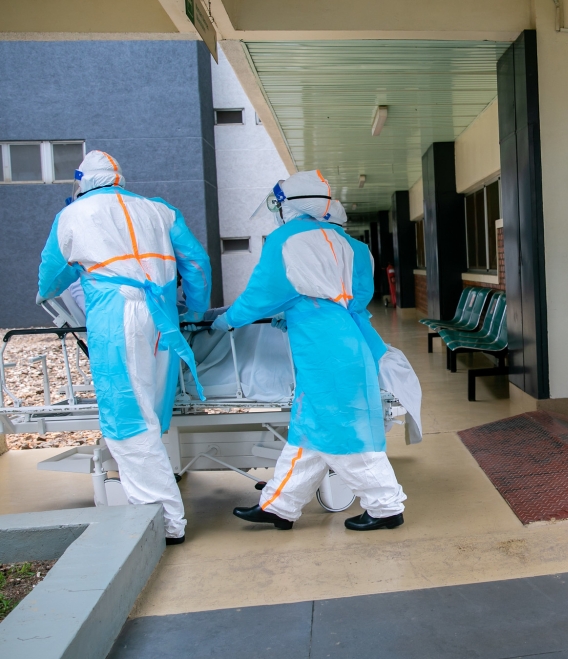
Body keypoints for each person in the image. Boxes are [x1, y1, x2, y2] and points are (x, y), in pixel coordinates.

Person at [37, 150, 212, 544]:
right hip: (164, 318)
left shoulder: (73, 215)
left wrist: (44, 293)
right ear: (117, 178)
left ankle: (166, 523)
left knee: (126, 421)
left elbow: (52, 271)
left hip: (118, 318)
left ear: (82, 181)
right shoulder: (159, 210)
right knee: (151, 410)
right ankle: (161, 509)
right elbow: (197, 264)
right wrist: (194, 312)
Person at [218, 170, 407, 531]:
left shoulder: (284, 239)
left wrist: (225, 322)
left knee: (338, 426)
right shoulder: (353, 245)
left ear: (288, 205)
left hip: (320, 343)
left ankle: (386, 507)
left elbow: (262, 294)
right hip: (346, 334)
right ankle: (280, 505)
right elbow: (360, 297)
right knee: (309, 428)